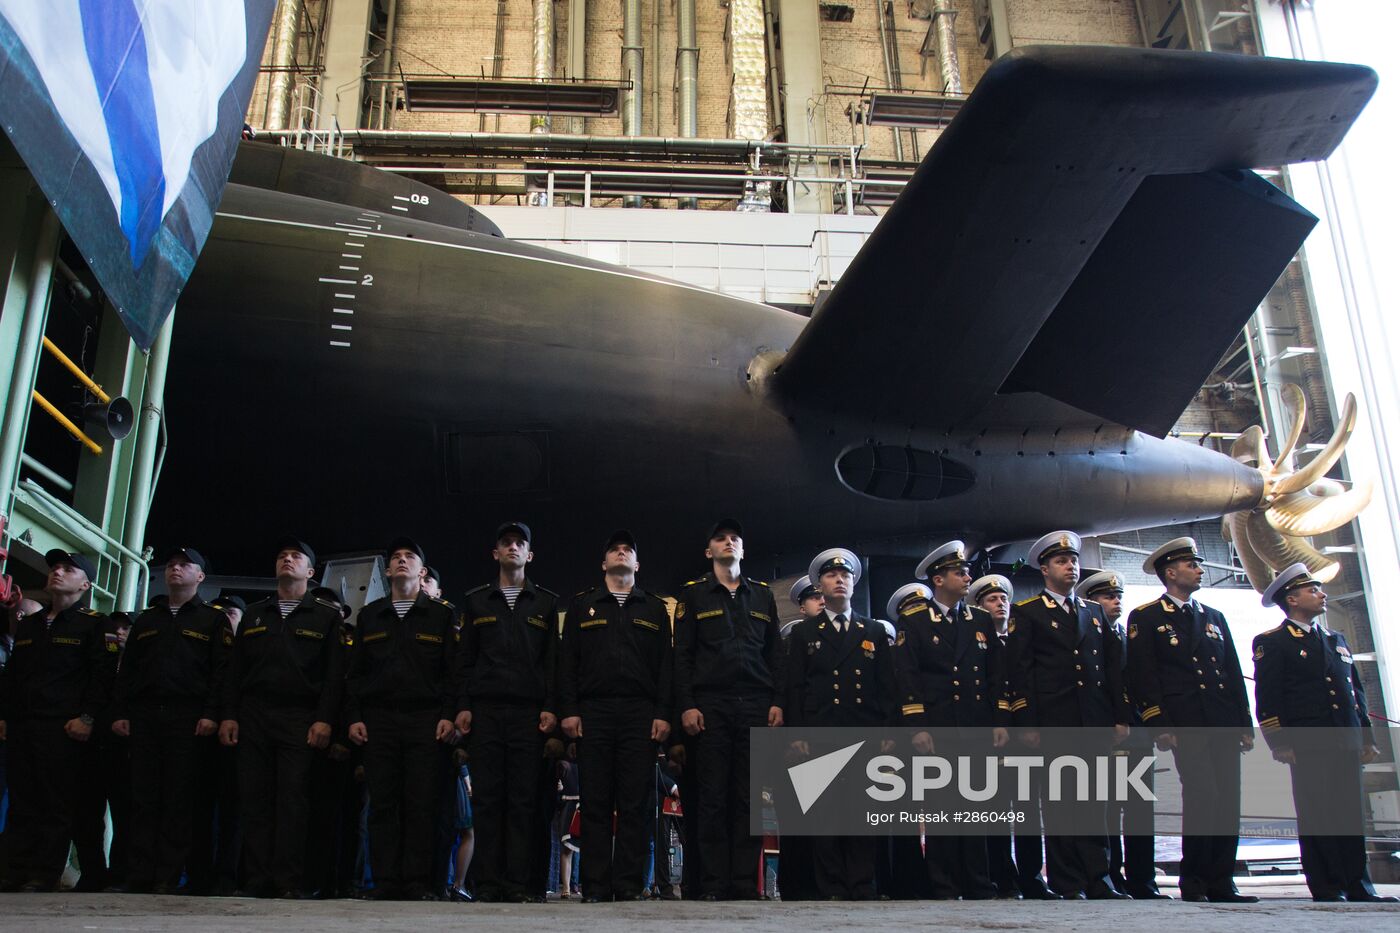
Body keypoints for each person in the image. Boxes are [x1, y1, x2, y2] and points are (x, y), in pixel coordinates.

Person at [1253, 563, 1396, 903]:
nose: (1322, 594)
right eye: (1313, 590)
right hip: (1308, 743)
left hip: (1344, 738)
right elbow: (1268, 696)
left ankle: (1359, 884)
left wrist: (1366, 737)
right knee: (1318, 813)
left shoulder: (1336, 640)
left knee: (1349, 814)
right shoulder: (1274, 642)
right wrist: (1280, 741)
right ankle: (1328, 884)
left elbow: (1355, 693)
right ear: (1293, 598)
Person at [1124, 537, 1255, 903]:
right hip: (1186, 721)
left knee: (1228, 800)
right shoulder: (1147, 617)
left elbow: (1232, 671)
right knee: (1203, 796)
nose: (1199, 570)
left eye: (1198, 564)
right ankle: (1195, 879)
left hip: (1221, 719)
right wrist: (1159, 722)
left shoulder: (1213, 617)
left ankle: (1221, 881)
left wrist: (1244, 724)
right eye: (1192, 565)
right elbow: (1143, 675)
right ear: (1171, 572)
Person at [1004, 531, 1131, 900]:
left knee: (1094, 803)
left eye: (1073, 560)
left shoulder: (1092, 612)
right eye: (1061, 561)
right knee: (1060, 805)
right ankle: (1067, 879)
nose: (1071, 566)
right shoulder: (1028, 613)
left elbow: (1112, 669)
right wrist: (1027, 723)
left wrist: (1119, 716)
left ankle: (1099, 878)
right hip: (1054, 720)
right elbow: (1021, 672)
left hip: (1092, 718)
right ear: (1045, 569)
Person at [219, 537, 345, 898]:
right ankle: (257, 880)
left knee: (293, 801)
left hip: (300, 715)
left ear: (310, 571)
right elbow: (235, 672)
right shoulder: (257, 614)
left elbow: (334, 676)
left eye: (296, 557)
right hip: (254, 713)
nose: (287, 560)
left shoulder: (325, 616)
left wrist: (324, 720)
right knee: (255, 800)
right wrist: (230, 715)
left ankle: (288, 881)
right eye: (282, 556)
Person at [558, 530, 673, 903]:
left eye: (628, 550)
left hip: (640, 712)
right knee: (594, 801)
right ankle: (594, 885)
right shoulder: (581, 606)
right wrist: (571, 711)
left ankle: (627, 884)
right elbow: (568, 663)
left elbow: (665, 668)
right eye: (614, 550)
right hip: (594, 712)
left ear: (636, 565)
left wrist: (661, 713)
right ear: (604, 564)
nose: (621, 553)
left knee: (634, 803)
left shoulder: (654, 608)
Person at [674, 518, 783, 901]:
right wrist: (687, 705)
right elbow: (683, 657)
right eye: (720, 539)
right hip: (712, 705)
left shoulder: (763, 596)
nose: (729, 543)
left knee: (748, 799)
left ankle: (743, 884)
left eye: (735, 538)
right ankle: (715, 883)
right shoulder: (693, 596)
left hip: (755, 702)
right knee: (713, 797)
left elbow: (775, 655)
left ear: (743, 549)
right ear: (709, 552)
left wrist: (777, 702)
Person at [110, 547, 230, 893]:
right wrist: (121, 712)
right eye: (173, 565)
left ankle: (167, 874)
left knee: (179, 798)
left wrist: (210, 713)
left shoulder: (212, 619)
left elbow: (220, 673)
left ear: (200, 577)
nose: (176, 569)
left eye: (185, 565)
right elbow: (128, 671)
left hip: (188, 716)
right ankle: (139, 873)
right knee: (143, 796)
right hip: (145, 715)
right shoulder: (148, 619)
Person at [783, 548, 897, 901]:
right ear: (820, 586)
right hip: (821, 731)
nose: (840, 580)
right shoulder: (804, 633)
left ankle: (862, 883)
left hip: (863, 729)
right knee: (826, 815)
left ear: (852, 584)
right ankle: (830, 885)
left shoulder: (874, 630)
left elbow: (887, 687)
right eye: (832, 576)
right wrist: (798, 734)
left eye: (845, 576)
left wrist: (888, 733)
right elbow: (796, 687)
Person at [454, 521, 559, 903]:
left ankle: (517, 883)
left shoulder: (546, 603)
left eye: (520, 543)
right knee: (487, 800)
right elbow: (465, 661)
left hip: (528, 715)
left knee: (522, 800)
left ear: (529, 555)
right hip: (485, 711)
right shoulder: (477, 600)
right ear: (495, 553)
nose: (512, 547)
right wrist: (464, 706)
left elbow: (552, 664)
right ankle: (488, 884)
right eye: (506, 543)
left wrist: (550, 708)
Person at [347, 537, 458, 900]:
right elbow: (356, 674)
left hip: (425, 719)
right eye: (395, 557)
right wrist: (355, 716)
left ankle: (417, 882)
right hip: (379, 719)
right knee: (383, 804)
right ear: (388, 570)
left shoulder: (441, 615)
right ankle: (385, 881)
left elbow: (451, 674)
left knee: (421, 804)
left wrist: (447, 716)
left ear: (422, 571)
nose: (401, 561)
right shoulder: (370, 615)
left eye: (410, 556)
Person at [0, 550, 116, 892]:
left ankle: (43, 872)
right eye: (55, 568)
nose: (57, 573)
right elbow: (14, 676)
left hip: (63, 728)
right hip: (24, 725)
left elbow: (103, 677)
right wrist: (5, 716)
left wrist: (87, 718)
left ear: (85, 584)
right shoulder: (30, 624)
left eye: (68, 569)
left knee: (55, 803)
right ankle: (14, 869)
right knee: (22, 801)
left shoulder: (95, 624)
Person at [896, 542, 1006, 900]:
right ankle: (943, 884)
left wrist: (999, 719)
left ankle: (977, 882)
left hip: (975, 724)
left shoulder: (980, 620)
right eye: (960, 573)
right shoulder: (914, 622)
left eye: (966, 571)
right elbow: (908, 676)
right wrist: (919, 725)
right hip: (939, 725)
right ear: (939, 579)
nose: (967, 576)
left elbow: (994, 675)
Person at [1076, 570, 1168, 900]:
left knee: (1140, 810)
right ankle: (1110, 877)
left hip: (1137, 731)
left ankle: (1144, 880)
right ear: (1092, 603)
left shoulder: (1131, 640)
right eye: (1107, 597)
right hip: (1107, 733)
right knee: (1109, 809)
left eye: (1118, 597)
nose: (1115, 602)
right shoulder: (1091, 642)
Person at [971, 574, 1041, 900]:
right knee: (996, 811)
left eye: (1003, 600)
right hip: (994, 737)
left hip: (1023, 736)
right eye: (992, 600)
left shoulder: (1021, 641)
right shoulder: (978, 645)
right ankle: (1001, 876)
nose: (1001, 605)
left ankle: (1032, 877)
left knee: (1026, 810)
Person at [774, 576, 823, 902]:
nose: (820, 602)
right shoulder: (793, 642)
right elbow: (787, 691)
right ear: (801, 606)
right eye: (813, 598)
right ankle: (796, 883)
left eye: (822, 596)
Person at [448, 747, 475, 901]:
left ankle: (451, 883)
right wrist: (468, 783)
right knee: (468, 832)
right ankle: (458, 884)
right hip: (461, 781)